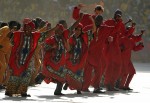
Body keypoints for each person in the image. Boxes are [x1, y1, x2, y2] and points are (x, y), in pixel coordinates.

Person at [5, 19, 58, 97]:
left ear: (32, 29)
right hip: (17, 59)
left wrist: (54, 29)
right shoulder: (18, 34)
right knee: (15, 74)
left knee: (27, 74)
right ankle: (9, 91)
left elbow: (45, 34)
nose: (27, 30)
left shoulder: (35, 36)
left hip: (29, 59)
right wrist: (11, 31)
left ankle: (23, 92)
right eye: (26, 28)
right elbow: (9, 37)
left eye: (29, 28)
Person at [41, 13, 84, 95]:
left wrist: (79, 19)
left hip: (60, 63)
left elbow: (72, 28)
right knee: (47, 72)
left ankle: (58, 91)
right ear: (55, 30)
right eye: (58, 30)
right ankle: (41, 76)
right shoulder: (52, 38)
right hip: (52, 62)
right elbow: (45, 47)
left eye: (61, 30)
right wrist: (52, 47)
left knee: (62, 76)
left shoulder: (64, 36)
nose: (59, 32)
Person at [0, 21, 21, 89]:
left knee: (8, 66)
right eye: (14, 27)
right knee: (3, 66)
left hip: (6, 51)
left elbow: (9, 42)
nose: (15, 29)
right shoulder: (6, 29)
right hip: (1, 51)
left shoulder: (11, 31)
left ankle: (4, 82)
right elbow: (1, 37)